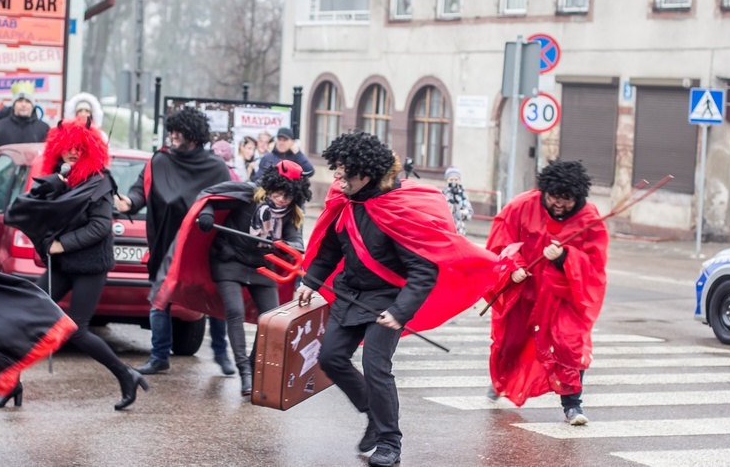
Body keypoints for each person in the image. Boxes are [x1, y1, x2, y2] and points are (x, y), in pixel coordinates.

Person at [297, 132, 507, 467]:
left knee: (376, 366)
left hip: (387, 300)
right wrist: (311, 281)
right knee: (331, 358)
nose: (336, 177)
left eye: (343, 172)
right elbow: (330, 249)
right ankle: (373, 414)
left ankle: (389, 442)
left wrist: (398, 312)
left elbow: (423, 272)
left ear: (364, 175)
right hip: (351, 295)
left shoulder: (399, 210)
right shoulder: (347, 203)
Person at [0, 118, 148, 411]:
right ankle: (10, 385)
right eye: (68, 147)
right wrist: (50, 187)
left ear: (90, 150)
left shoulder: (100, 182)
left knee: (77, 330)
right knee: (27, 316)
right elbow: (37, 208)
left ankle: (126, 374)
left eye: (80, 148)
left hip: (91, 264)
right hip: (63, 263)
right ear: (59, 149)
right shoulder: (60, 177)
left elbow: (100, 227)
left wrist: (62, 244)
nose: (74, 153)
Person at [485, 159, 608, 426]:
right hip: (524, 290)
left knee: (570, 344)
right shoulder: (521, 206)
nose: (559, 204)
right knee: (512, 342)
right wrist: (513, 267)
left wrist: (565, 257)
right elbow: (500, 242)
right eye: (554, 197)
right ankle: (502, 381)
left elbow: (595, 263)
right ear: (545, 192)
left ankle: (573, 405)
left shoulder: (589, 218)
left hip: (563, 295)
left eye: (567, 199)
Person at [114, 108, 235, 376]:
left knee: (215, 301)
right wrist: (129, 202)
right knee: (160, 298)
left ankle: (221, 353)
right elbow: (139, 189)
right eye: (170, 131)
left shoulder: (216, 167)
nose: (171, 136)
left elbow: (228, 204)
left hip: (205, 246)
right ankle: (159, 356)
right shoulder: (160, 161)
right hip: (169, 243)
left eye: (176, 132)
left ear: (192, 135)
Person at [196, 160, 311, 395]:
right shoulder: (248, 193)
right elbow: (208, 195)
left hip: (261, 266)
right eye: (278, 193)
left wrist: (290, 245)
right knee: (235, 312)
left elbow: (296, 240)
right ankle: (244, 373)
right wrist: (207, 213)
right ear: (269, 186)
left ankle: (252, 364)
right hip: (228, 260)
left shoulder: (290, 214)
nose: (280, 200)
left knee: (271, 321)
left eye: (287, 197)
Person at [0, 259, 77, 408]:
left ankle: (123, 373)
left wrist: (63, 243)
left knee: (81, 331)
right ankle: (13, 387)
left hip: (85, 265)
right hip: (64, 262)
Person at [0, 81, 50, 158]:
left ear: (32, 105)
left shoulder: (43, 128)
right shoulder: (0, 127)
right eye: (20, 101)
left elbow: (49, 156)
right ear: (14, 105)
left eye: (27, 101)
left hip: (35, 170)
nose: (23, 105)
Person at [442, 166, 474, 236]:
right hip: (446, 230)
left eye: (456, 180)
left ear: (459, 181)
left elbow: (470, 213)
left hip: (460, 231)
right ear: (446, 180)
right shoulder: (443, 194)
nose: (454, 182)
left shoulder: (463, 195)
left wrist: (461, 212)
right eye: (451, 179)